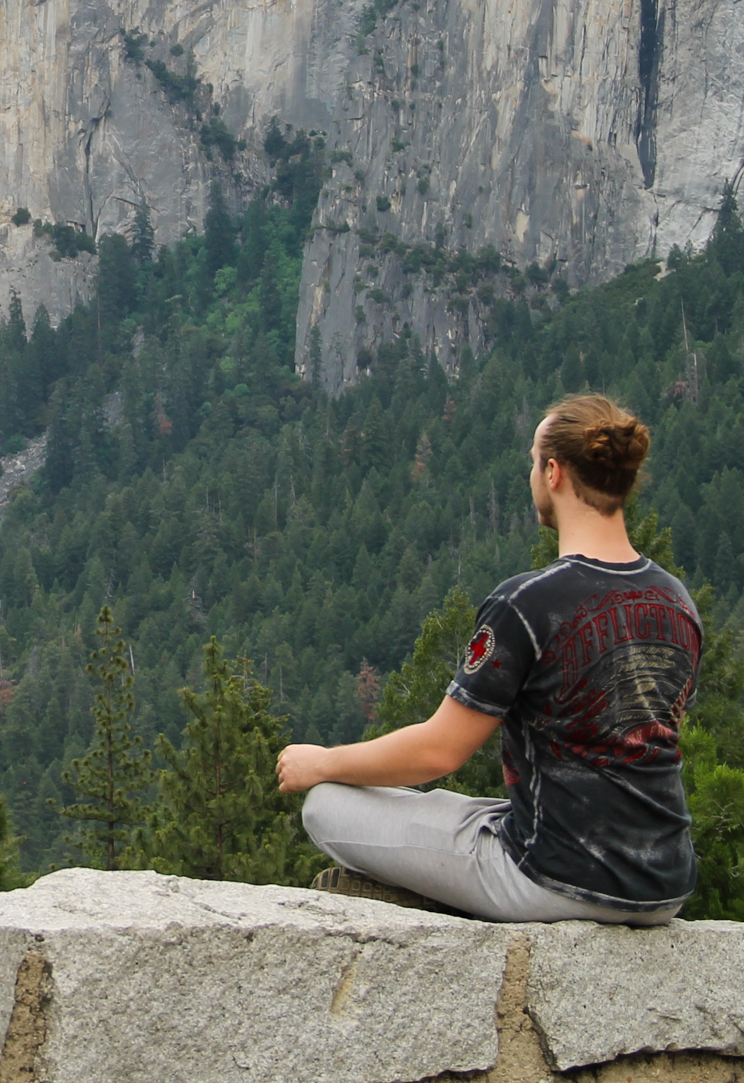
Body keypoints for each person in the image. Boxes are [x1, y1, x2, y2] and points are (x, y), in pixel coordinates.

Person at [275, 394, 702, 924]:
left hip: (558, 879)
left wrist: (322, 763)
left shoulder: (527, 603)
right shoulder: (676, 601)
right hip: (664, 882)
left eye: (531, 462)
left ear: (553, 473)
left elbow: (440, 752)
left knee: (326, 805)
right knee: (463, 812)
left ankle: (436, 903)